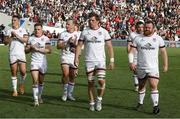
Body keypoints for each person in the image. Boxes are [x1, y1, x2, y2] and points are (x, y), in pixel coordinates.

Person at [74, 12, 114, 111]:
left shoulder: (104, 32)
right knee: (90, 82)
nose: (90, 22)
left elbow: (109, 46)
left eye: (92, 20)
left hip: (100, 61)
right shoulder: (84, 32)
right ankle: (92, 102)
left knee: (101, 81)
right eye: (89, 20)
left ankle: (99, 99)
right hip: (89, 61)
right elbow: (79, 46)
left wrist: (112, 60)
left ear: (97, 21)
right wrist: (76, 58)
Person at [128, 20, 168, 114]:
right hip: (141, 67)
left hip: (153, 67)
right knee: (141, 86)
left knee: (153, 85)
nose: (146, 29)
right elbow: (132, 51)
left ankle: (155, 106)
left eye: (148, 27)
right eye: (145, 27)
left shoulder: (158, 39)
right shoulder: (137, 38)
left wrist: (165, 65)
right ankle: (140, 103)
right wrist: (131, 62)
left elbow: (163, 52)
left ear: (153, 29)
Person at [25, 23, 51, 106]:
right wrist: (30, 48)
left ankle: (39, 96)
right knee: (35, 81)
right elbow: (26, 51)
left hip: (42, 62)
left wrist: (37, 49)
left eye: (39, 29)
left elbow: (49, 50)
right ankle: (35, 100)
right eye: (35, 29)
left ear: (42, 30)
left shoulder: (46, 38)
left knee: (41, 81)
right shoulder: (31, 39)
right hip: (34, 62)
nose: (37, 31)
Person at [4, 15, 28, 96]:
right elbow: (5, 42)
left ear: (18, 21)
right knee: (14, 72)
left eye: (14, 20)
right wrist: (11, 37)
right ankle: (14, 90)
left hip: (21, 53)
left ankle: (21, 84)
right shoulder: (8, 31)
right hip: (12, 53)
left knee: (23, 72)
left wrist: (17, 36)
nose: (13, 22)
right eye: (12, 20)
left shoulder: (23, 30)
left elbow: (26, 40)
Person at [57, 19, 80, 101]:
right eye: (66, 24)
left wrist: (75, 44)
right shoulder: (63, 34)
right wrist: (67, 42)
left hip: (74, 57)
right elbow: (58, 46)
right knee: (65, 74)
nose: (67, 26)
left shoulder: (78, 34)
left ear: (74, 25)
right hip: (65, 57)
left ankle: (70, 94)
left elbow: (80, 48)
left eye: (68, 24)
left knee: (72, 76)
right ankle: (65, 93)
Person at [127, 21, 144, 91]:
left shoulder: (145, 34)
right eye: (139, 27)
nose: (140, 29)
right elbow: (129, 45)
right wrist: (129, 53)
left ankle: (141, 84)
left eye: (142, 27)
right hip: (134, 54)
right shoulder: (132, 35)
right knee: (135, 70)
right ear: (136, 27)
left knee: (142, 71)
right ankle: (137, 85)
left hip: (143, 54)